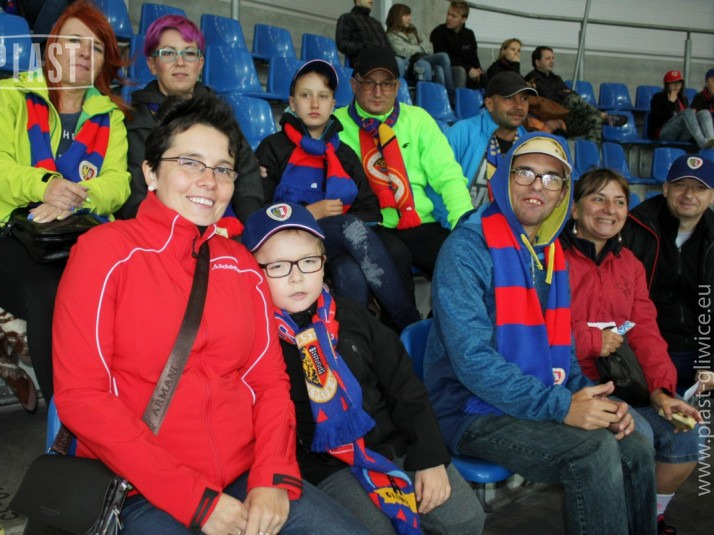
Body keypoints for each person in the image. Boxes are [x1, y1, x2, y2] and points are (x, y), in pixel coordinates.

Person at [52, 93, 372, 535]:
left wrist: (272, 475)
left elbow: (269, 382)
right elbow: (82, 397)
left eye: (222, 169)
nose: (209, 181)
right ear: (150, 172)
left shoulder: (241, 264)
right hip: (140, 491)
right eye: (190, 163)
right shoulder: (103, 253)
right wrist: (195, 500)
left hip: (246, 479)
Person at [425, 132, 657, 535]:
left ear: (563, 193)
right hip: (468, 408)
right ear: (504, 178)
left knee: (635, 438)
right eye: (526, 173)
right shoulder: (467, 248)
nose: (537, 186)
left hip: (534, 394)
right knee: (593, 449)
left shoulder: (549, 254)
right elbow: (472, 361)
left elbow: (562, 352)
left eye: (551, 179)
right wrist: (562, 406)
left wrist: (592, 397)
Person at [243, 201, 486, 534]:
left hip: (392, 444)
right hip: (325, 464)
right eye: (278, 266)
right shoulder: (251, 339)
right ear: (253, 272)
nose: (297, 277)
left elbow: (405, 387)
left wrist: (430, 457)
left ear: (324, 264)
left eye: (308, 261)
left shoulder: (354, 317)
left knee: (466, 518)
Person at [0, 0, 130, 406]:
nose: (86, 52)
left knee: (124, 290)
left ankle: (121, 404)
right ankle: (66, 422)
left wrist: (75, 197)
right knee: (50, 293)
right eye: (75, 41)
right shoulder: (11, 94)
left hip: (70, 235)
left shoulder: (109, 116)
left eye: (97, 47)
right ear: (52, 48)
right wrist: (45, 186)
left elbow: (118, 183)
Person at [561, 168, 702, 534]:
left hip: (623, 380)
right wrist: (591, 340)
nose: (610, 209)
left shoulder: (630, 265)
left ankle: (648, 516)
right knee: (636, 434)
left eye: (619, 201)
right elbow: (533, 329)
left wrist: (661, 390)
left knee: (686, 431)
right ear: (574, 209)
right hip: (568, 383)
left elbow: (645, 332)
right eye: (598, 199)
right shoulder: (551, 258)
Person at [255, 60, 420, 331]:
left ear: (333, 104)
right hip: (287, 240)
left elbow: (371, 209)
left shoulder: (344, 154)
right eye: (305, 95)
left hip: (332, 243)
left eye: (323, 96)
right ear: (292, 103)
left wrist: (337, 221)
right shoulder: (272, 147)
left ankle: (355, 342)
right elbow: (258, 210)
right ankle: (408, 323)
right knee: (349, 240)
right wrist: (310, 214)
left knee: (349, 264)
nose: (315, 104)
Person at [333, 45, 473, 302]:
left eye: (386, 84)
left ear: (397, 87)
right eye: (369, 83)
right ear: (354, 85)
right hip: (370, 224)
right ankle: (404, 325)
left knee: (461, 263)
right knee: (395, 259)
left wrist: (464, 227)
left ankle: (443, 322)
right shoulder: (336, 124)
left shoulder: (418, 120)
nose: (378, 92)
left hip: (418, 220)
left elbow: (448, 176)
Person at [117, 14, 263, 236]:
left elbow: (247, 179)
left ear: (200, 64)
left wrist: (252, 230)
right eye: (168, 53)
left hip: (223, 228)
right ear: (152, 64)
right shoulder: (135, 121)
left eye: (190, 53)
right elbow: (135, 197)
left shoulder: (219, 115)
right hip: (160, 234)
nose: (180, 62)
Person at [622, 155, 714, 404]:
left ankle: (677, 391)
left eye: (700, 188)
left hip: (698, 352)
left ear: (713, 196)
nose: (689, 195)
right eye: (681, 185)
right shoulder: (633, 227)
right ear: (666, 189)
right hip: (644, 348)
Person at [447, 71, 534, 207]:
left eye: (524, 98)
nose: (519, 106)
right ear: (489, 104)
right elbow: (438, 186)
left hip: (507, 220)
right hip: (460, 219)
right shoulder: (461, 132)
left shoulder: (529, 144)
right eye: (509, 98)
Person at [524, 46, 625, 142]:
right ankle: (603, 115)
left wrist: (563, 94)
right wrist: (563, 93)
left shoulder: (556, 78)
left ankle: (589, 151)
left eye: (553, 58)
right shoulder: (532, 78)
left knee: (595, 120)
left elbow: (572, 93)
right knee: (571, 100)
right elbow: (551, 97)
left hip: (568, 117)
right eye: (548, 58)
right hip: (551, 117)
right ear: (537, 62)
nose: (552, 61)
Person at [385, 3, 455, 95]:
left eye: (410, 15)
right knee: (433, 65)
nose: (410, 18)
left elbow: (429, 47)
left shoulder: (414, 30)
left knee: (443, 57)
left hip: (422, 56)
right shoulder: (391, 35)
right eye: (406, 15)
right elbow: (401, 51)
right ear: (397, 16)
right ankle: (449, 94)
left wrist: (415, 48)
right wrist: (420, 48)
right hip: (410, 61)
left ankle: (447, 95)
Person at [649, 70, 714, 150]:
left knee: (704, 112)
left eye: (679, 83)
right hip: (664, 133)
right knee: (688, 111)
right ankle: (702, 142)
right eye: (673, 83)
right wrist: (671, 103)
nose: (676, 86)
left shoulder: (683, 99)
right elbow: (658, 120)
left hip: (682, 134)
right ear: (667, 85)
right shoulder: (658, 97)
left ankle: (713, 141)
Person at [429, 1, 485, 89]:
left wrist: (478, 70)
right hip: (447, 70)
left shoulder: (469, 34)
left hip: (466, 70)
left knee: (485, 76)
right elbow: (444, 59)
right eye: (448, 14)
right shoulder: (438, 32)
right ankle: (455, 97)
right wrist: (468, 69)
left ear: (463, 19)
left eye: (453, 16)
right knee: (460, 71)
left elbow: (474, 58)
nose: (449, 18)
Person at [335, 0, 392, 67]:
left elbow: (389, 47)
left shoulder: (376, 23)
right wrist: (365, 47)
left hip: (384, 62)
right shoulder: (347, 18)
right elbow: (342, 44)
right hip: (363, 62)